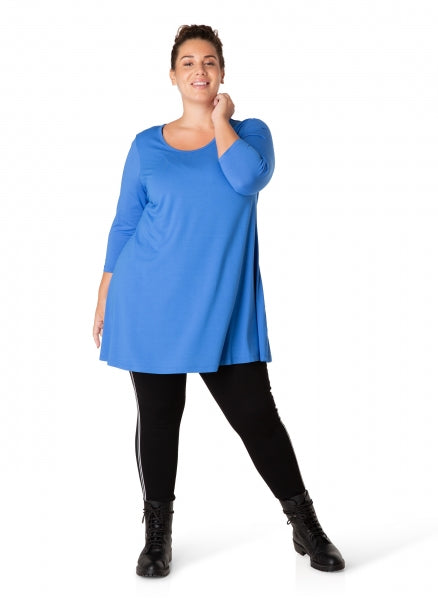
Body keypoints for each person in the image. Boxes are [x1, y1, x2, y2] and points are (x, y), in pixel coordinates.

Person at [92, 24, 345, 577]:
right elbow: (126, 222)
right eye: (188, 62)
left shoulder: (250, 134)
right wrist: (105, 291)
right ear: (173, 75)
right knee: (159, 420)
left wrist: (221, 120)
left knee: (257, 418)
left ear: (222, 72)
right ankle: (157, 537)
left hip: (223, 306)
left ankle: (307, 525)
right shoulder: (146, 145)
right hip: (149, 302)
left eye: (208, 61)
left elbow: (248, 179)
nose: (199, 70)